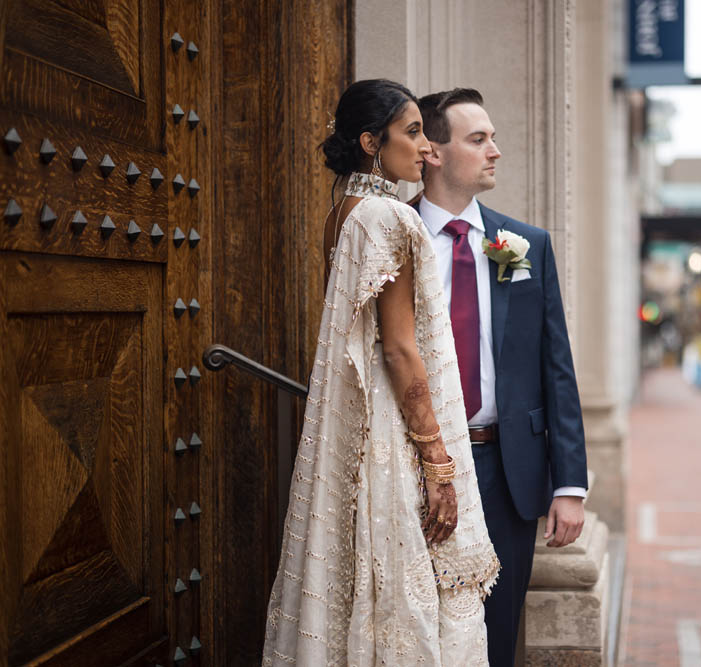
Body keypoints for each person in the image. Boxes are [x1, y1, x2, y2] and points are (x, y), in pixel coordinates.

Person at [261, 79, 499, 666]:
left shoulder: (341, 213)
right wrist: (438, 462)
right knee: (404, 585)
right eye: (413, 132)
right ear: (372, 142)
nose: (428, 149)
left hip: (357, 436)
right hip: (392, 436)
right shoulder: (388, 217)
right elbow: (398, 351)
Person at [414, 88, 588, 667]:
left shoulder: (519, 245)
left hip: (505, 472)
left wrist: (569, 485)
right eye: (478, 139)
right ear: (433, 152)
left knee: (497, 631)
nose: (496, 151)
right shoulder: (396, 238)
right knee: (419, 626)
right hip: (417, 470)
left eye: (493, 138)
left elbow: (554, 368)